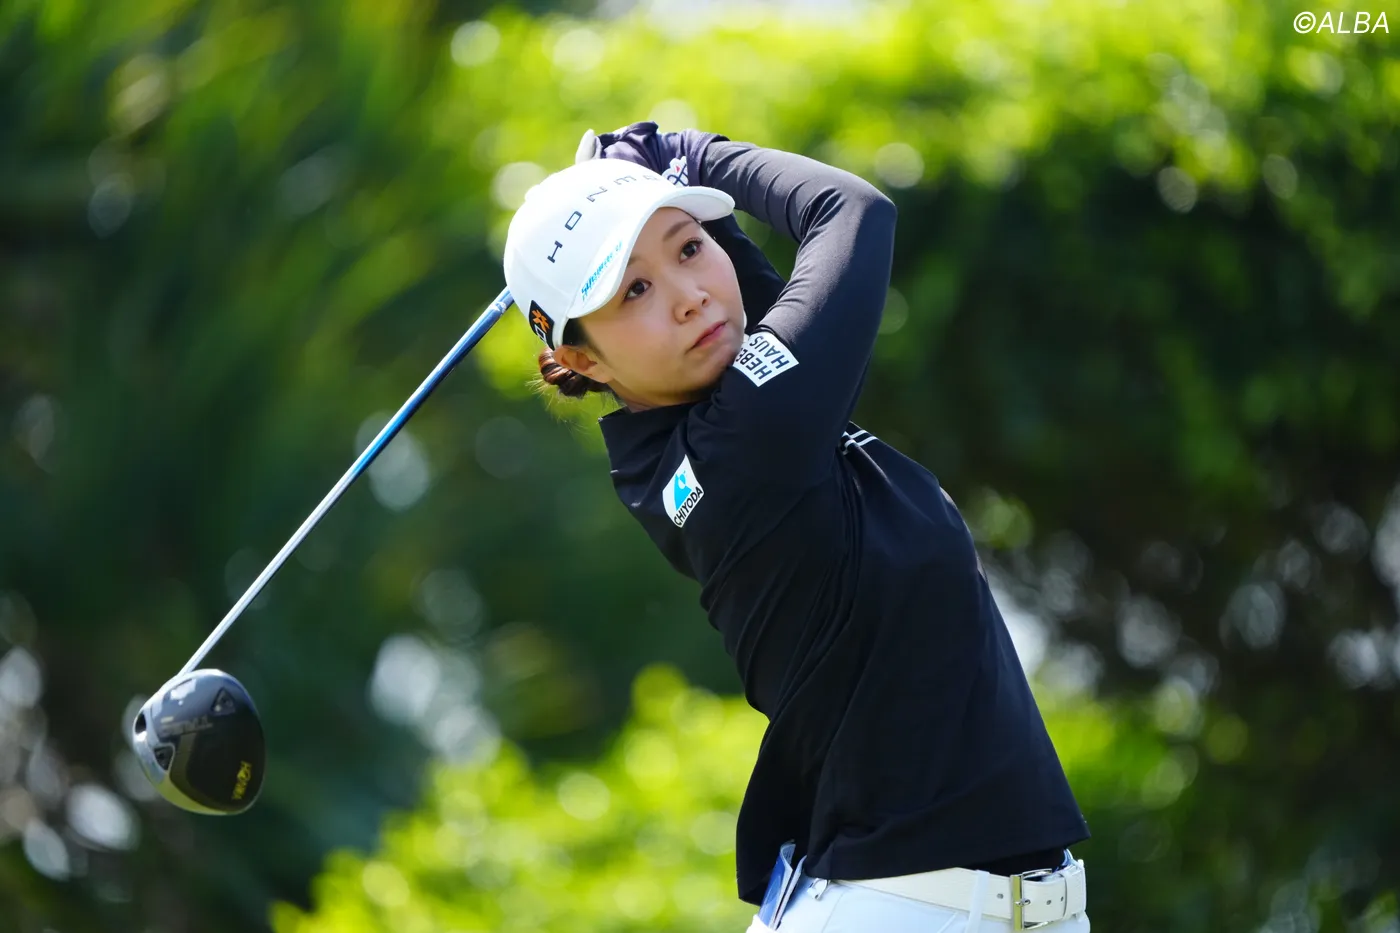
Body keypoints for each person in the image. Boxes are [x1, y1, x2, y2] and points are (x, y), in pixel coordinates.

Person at [502, 122, 1093, 932]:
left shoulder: (711, 424)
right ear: (582, 361)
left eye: (689, 246)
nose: (688, 294)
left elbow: (750, 296)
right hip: (902, 913)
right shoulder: (749, 440)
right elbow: (853, 213)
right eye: (632, 291)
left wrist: (650, 182)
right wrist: (687, 152)